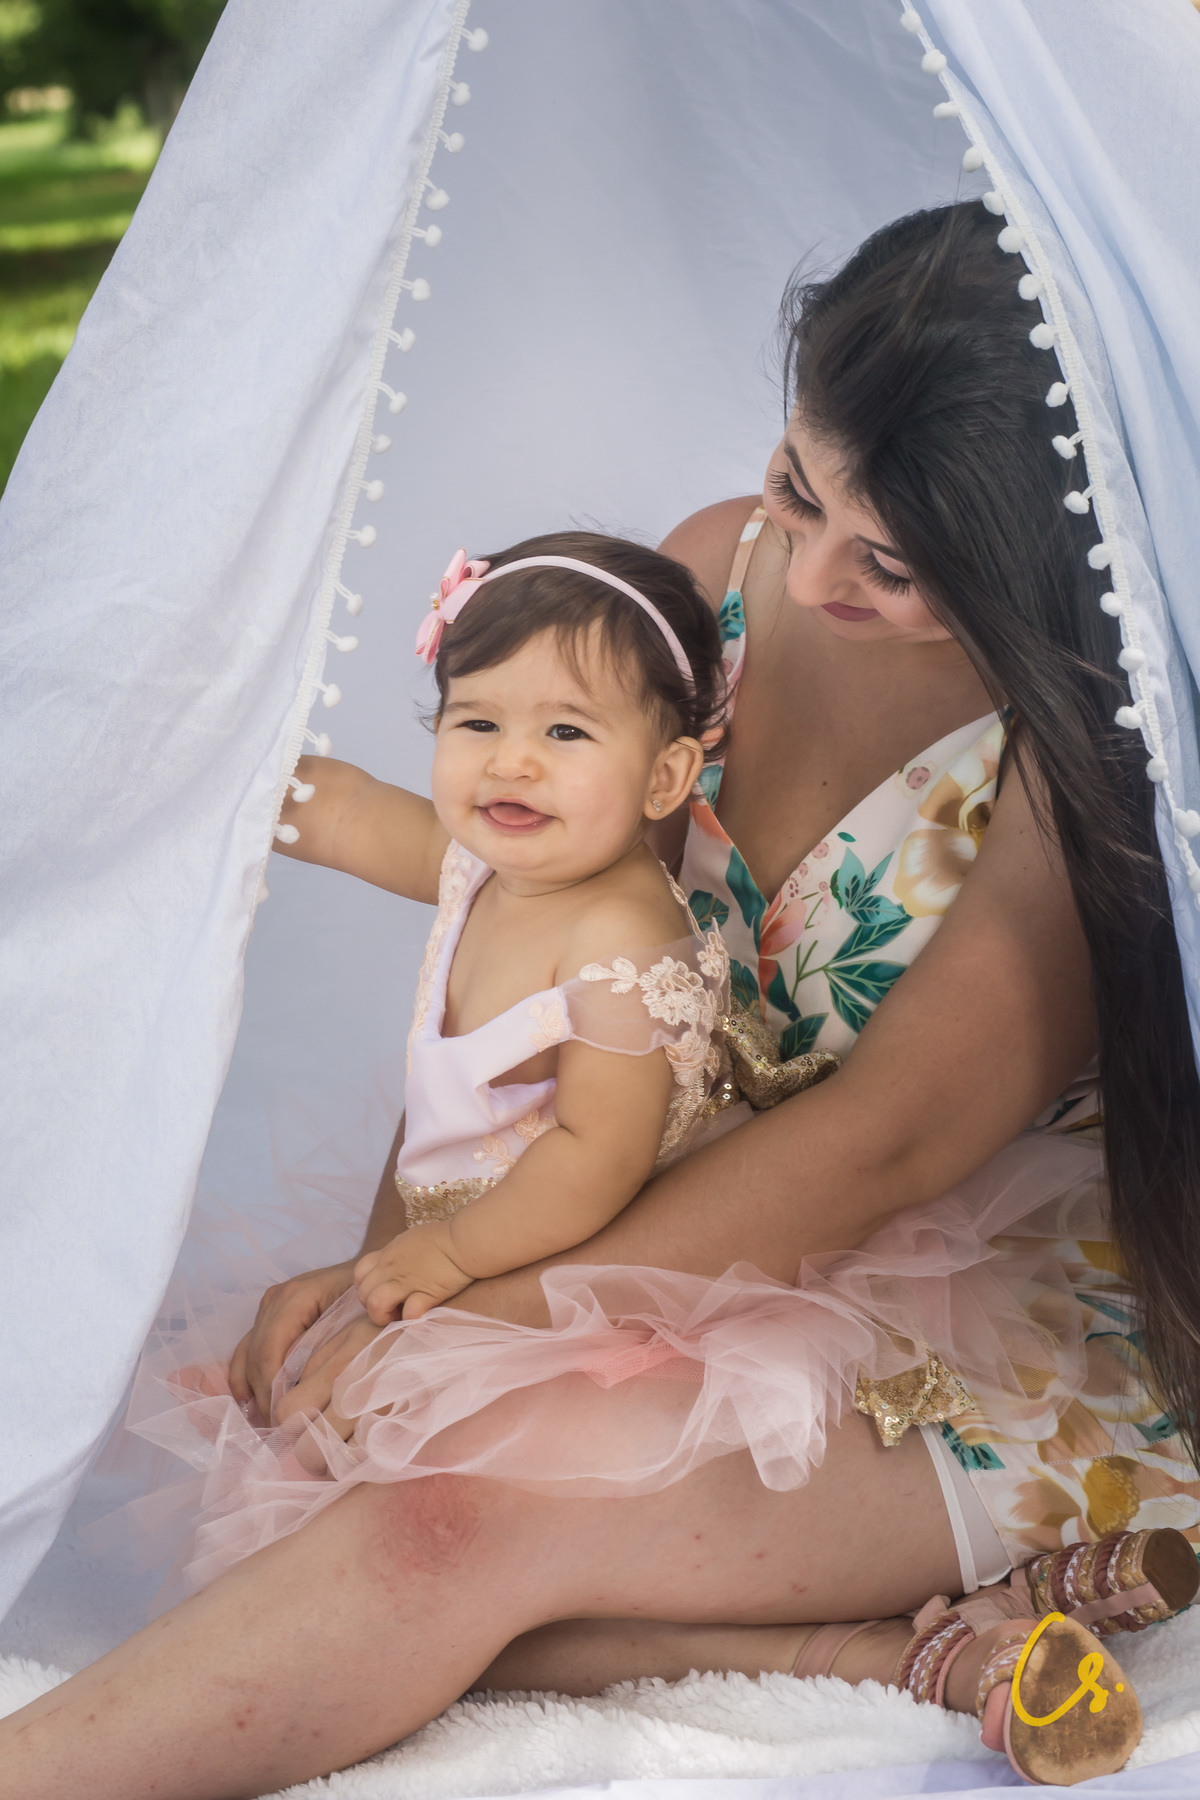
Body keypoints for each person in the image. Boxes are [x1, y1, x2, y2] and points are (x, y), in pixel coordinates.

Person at [5, 200, 1200, 1798]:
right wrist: (401, 1264)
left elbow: (894, 1142)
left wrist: (464, 1317)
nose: (819, 569)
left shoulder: (1075, 757)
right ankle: (877, 1643)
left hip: (975, 1289)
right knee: (339, 1463)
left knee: (449, 1501)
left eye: (897, 563)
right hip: (645, 1180)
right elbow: (521, 927)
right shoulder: (714, 574)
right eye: (801, 485)